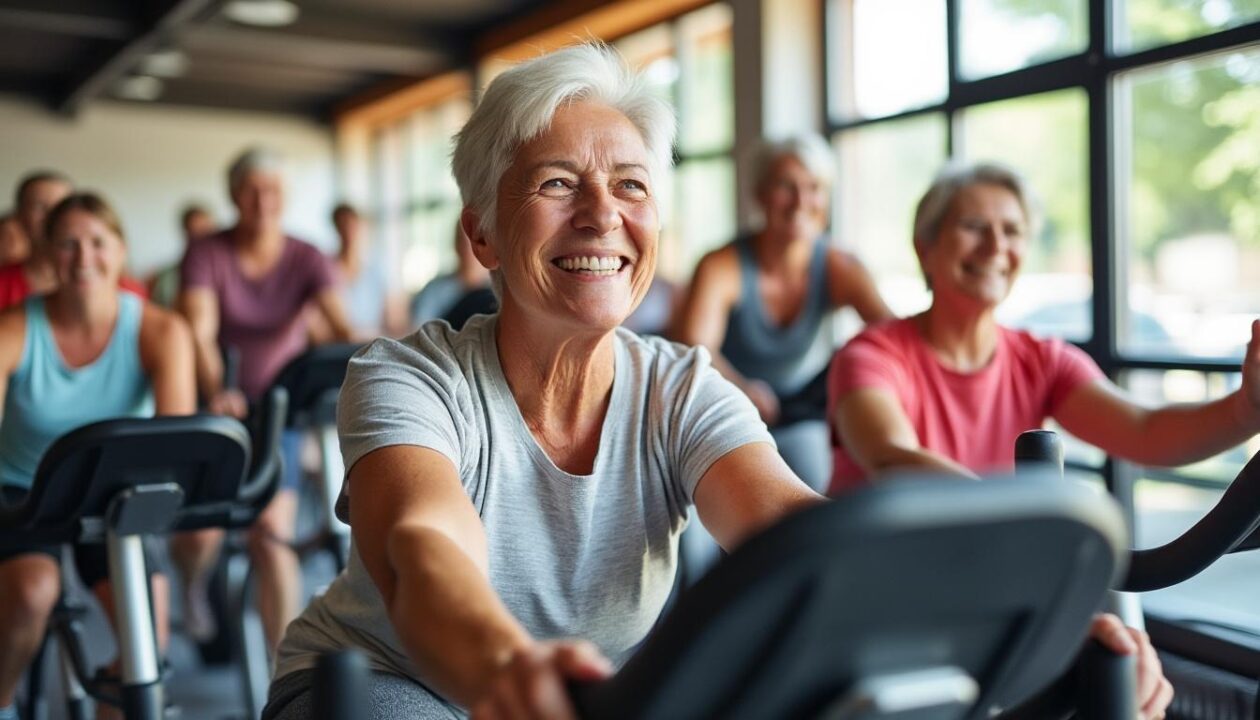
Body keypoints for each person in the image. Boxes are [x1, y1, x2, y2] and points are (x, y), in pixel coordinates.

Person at [261, 45, 1169, 720]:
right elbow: (425, 551)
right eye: (554, 183)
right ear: (483, 236)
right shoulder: (409, 377)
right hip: (387, 681)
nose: (602, 214)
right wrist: (504, 666)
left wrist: (1033, 616)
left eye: (630, 185)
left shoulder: (682, 388)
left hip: (587, 698)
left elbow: (792, 530)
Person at [829, 160, 1259, 507]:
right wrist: (1025, 518)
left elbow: (1145, 431)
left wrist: (1247, 410)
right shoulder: (870, 356)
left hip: (992, 570)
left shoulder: (1042, 360)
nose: (996, 246)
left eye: (1012, 230)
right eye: (974, 227)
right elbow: (891, 460)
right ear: (926, 247)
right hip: (879, 581)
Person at [0, 193, 195, 720]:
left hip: (111, 490)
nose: (83, 258)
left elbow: (173, 448)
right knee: (33, 593)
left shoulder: (161, 330)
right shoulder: (14, 329)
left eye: (97, 243)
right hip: (22, 488)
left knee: (145, 647)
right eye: (67, 244)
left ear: (121, 251)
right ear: (47, 254)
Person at [172, 147, 353, 651]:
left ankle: (284, 674)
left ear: (285, 197)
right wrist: (218, 390)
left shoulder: (307, 255)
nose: (262, 200)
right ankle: (191, 583)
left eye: (272, 190)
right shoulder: (207, 252)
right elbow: (199, 332)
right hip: (220, 407)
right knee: (202, 536)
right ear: (233, 195)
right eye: (251, 190)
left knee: (272, 539)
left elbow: (340, 327)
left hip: (281, 413)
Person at [674, 134, 894, 492]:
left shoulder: (841, 265)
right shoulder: (721, 266)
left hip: (797, 414)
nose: (800, 201)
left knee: (817, 483)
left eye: (814, 187)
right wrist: (743, 389)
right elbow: (694, 347)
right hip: (723, 408)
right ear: (760, 194)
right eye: (785, 186)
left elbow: (892, 336)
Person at [312, 203, 407, 341]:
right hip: (338, 346)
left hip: (373, 342)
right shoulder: (324, 272)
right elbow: (318, 325)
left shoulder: (375, 271)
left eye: (353, 226)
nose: (349, 232)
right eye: (343, 225)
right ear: (336, 228)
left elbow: (392, 318)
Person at [0, 172, 73, 308]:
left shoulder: (112, 286)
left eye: (61, 207)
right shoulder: (2, 285)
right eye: (39, 206)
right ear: (19, 216)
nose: (52, 215)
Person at [409, 221, 491, 325]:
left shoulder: (500, 293)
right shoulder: (435, 291)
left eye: (476, 242)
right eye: (463, 242)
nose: (469, 250)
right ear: (455, 244)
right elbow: (418, 330)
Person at [148, 203, 216, 309]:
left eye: (206, 232)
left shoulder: (230, 276)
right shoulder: (165, 278)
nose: (201, 241)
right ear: (185, 233)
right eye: (194, 233)